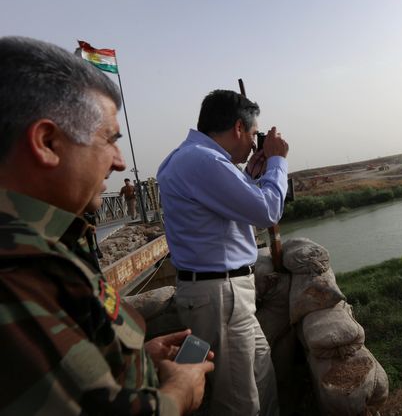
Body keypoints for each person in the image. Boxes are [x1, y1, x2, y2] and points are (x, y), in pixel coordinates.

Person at [0, 36, 214, 415]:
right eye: (109, 140)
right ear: (47, 142)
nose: (119, 162)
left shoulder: (54, 242)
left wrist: (134, 361)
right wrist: (177, 395)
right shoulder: (19, 273)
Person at [157, 89, 289, 415]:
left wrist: (247, 178)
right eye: (254, 134)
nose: (253, 143)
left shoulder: (191, 157)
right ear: (238, 128)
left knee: (260, 374)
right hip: (220, 294)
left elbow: (218, 215)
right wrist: (277, 162)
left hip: (221, 291)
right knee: (238, 400)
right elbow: (268, 210)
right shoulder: (203, 161)